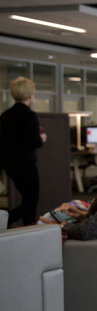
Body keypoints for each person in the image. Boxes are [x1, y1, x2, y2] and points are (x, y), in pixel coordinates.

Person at [0, 77, 46, 226]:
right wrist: (42, 138)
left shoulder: (5, 115)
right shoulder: (29, 115)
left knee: (27, 199)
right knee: (31, 200)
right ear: (30, 95)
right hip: (26, 164)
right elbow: (32, 141)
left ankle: (26, 227)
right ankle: (8, 222)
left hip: (10, 164)